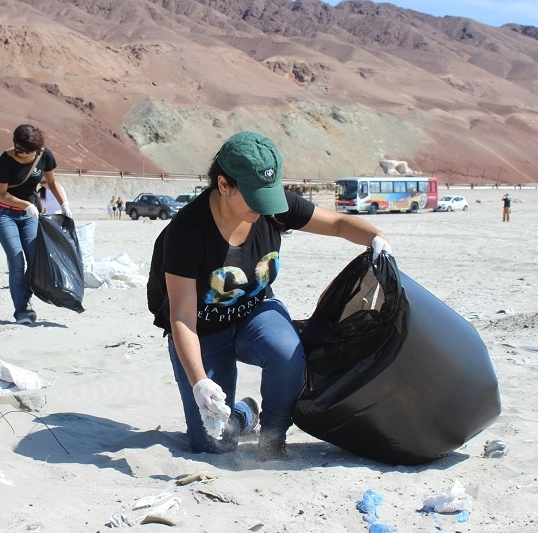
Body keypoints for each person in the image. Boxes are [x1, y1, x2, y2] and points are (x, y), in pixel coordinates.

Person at [162, 131, 392, 461]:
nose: (264, 205)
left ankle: (272, 436)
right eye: (254, 195)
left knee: (288, 354)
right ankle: (244, 414)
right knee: (213, 444)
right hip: (203, 330)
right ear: (224, 185)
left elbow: (339, 223)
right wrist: (200, 382)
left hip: (256, 313)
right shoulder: (187, 231)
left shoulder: (270, 205)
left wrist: (377, 238)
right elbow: (181, 317)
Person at [0, 123, 71, 325]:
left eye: (31, 152)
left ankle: (26, 297)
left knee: (35, 258)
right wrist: (26, 204)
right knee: (17, 260)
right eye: (23, 151)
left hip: (30, 216)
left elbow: (51, 182)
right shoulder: (4, 161)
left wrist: (64, 204)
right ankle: (22, 309)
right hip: (5, 214)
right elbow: (0, 195)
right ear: (16, 145)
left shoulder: (44, 155)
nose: (27, 156)